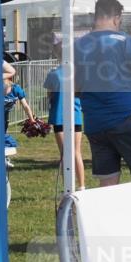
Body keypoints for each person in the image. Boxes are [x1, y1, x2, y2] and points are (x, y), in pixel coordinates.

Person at [74, 0, 131, 186]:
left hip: (94, 122)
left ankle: (108, 215)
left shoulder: (79, 44)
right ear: (116, 18)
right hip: (125, 118)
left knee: (108, 181)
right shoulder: (124, 41)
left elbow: (75, 86)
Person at [44, 44, 86, 189]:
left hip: (59, 116)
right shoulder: (78, 73)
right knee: (76, 152)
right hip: (75, 115)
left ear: (57, 55)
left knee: (64, 154)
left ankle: (67, 187)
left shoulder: (53, 74)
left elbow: (49, 96)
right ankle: (81, 186)